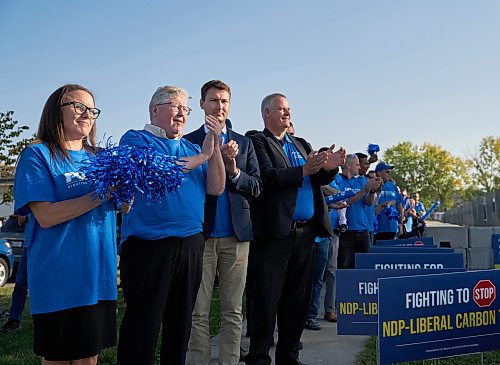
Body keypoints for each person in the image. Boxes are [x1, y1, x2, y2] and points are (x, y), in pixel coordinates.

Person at [13, 84, 127, 364]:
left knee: (89, 358)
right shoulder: (38, 155)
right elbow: (47, 216)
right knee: (59, 359)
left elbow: (123, 206)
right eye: (78, 107)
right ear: (56, 111)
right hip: (59, 278)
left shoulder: (101, 158)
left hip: (97, 275)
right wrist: (102, 193)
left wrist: (130, 186)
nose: (87, 114)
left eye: (92, 109)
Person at [117, 85, 225, 365]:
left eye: (185, 109)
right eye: (175, 106)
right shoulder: (135, 140)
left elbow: (216, 187)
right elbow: (158, 171)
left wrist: (213, 146)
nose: (182, 114)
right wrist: (202, 156)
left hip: (190, 243)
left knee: (180, 327)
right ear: (155, 109)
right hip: (149, 245)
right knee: (144, 325)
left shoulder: (192, 147)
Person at [245, 93, 345, 364]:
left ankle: (289, 356)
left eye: (289, 108)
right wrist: (304, 170)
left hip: (305, 235)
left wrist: (330, 169)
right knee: (266, 301)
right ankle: (259, 357)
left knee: (297, 302)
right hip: (274, 235)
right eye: (281, 108)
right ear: (267, 113)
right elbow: (267, 177)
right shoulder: (257, 141)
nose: (287, 113)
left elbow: (316, 177)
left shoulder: (300, 143)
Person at [185, 80, 262, 365]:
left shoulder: (244, 143)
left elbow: (256, 186)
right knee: (198, 310)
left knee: (233, 310)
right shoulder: (188, 141)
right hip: (200, 235)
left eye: (224, 101)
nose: (220, 106)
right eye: (214, 100)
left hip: (237, 236)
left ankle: (229, 361)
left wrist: (233, 169)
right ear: (202, 104)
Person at [336, 154, 379, 269]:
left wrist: (372, 192)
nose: (359, 168)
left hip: (363, 230)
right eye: (356, 165)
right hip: (346, 232)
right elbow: (344, 202)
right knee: (345, 266)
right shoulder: (338, 180)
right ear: (349, 166)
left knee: (364, 266)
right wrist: (365, 190)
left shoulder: (361, 181)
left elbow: (368, 203)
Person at [1, 215, 28, 333]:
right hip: (31, 245)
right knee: (21, 284)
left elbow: (21, 220)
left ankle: (14, 320)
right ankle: (14, 319)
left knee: (21, 285)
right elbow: (21, 219)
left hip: (36, 245)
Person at [374, 162, 404, 242]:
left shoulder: (392, 186)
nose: (389, 173)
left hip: (392, 227)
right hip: (376, 228)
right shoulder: (372, 184)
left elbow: (399, 205)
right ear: (379, 172)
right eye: (387, 171)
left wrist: (400, 223)